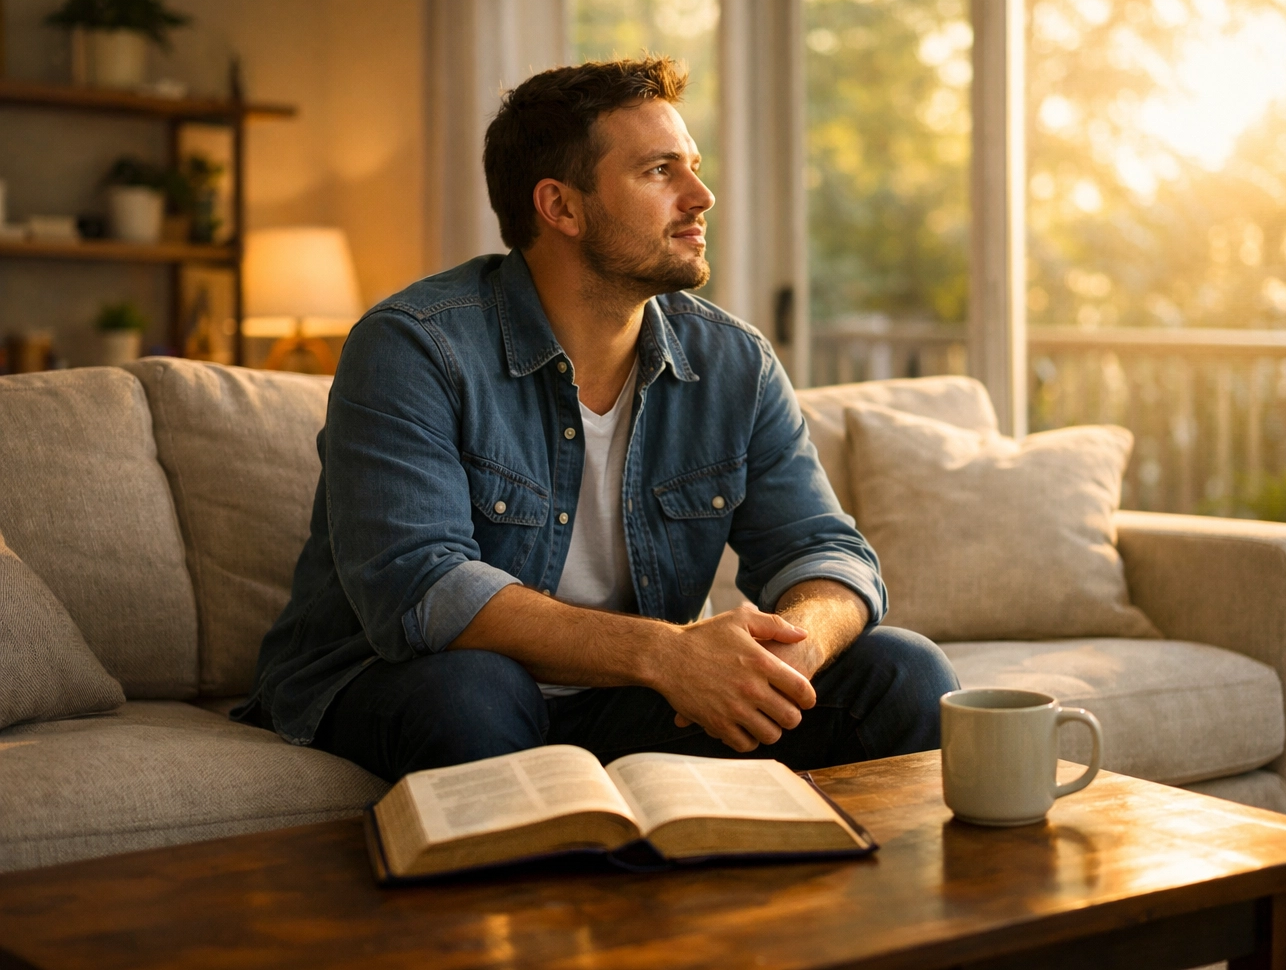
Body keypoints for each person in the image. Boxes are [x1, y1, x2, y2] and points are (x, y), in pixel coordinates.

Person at [233, 56, 959, 782]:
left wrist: (788, 654)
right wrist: (668, 654)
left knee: (904, 672)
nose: (701, 196)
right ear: (562, 208)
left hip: (630, 697)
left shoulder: (734, 363)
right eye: (659, 172)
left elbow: (826, 554)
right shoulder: (414, 346)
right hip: (408, 681)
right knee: (478, 692)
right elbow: (423, 591)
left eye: (694, 168)